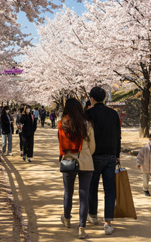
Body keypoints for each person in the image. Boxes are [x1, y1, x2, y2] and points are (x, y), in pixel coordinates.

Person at [85, 85, 120, 235]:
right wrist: (117, 154)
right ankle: (108, 222)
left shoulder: (89, 113)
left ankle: (93, 215)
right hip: (111, 155)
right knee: (110, 189)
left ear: (91, 99)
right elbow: (118, 135)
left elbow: (86, 136)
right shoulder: (113, 114)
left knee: (92, 187)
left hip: (93, 156)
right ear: (104, 98)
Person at [58, 98, 95, 239]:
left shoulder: (62, 124)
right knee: (83, 196)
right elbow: (92, 146)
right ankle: (81, 227)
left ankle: (67, 219)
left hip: (68, 161)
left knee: (68, 193)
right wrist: (85, 155)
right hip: (85, 161)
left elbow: (61, 144)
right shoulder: (87, 124)